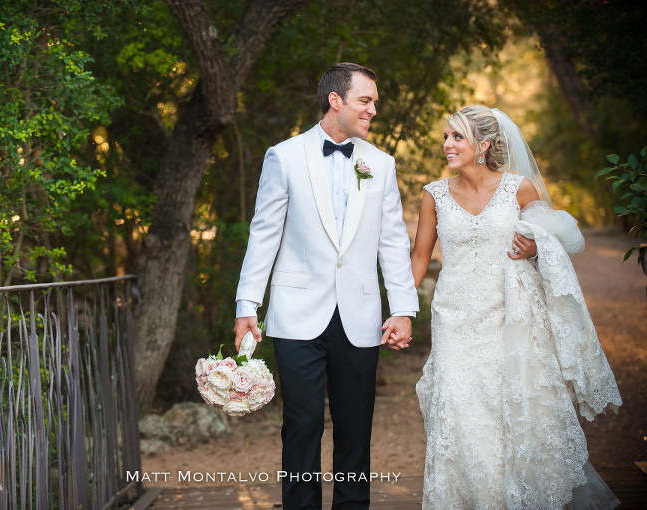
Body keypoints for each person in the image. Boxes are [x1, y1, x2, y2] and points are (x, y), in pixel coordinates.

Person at [411, 105, 623, 509]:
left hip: (511, 317)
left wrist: (536, 247)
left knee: (511, 407)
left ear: (484, 144)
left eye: (457, 137)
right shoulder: (433, 195)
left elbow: (561, 241)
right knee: (457, 410)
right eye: (446, 136)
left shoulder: (519, 189)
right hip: (454, 318)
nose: (447, 145)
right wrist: (402, 311)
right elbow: (420, 257)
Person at [234, 62, 419, 509]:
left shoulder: (381, 163)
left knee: (356, 428)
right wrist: (247, 305)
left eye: (374, 102)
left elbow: (393, 242)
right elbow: (264, 234)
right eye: (365, 100)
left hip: (359, 315)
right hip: (296, 315)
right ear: (335, 100)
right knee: (302, 424)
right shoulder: (284, 156)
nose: (373, 109)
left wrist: (402, 309)